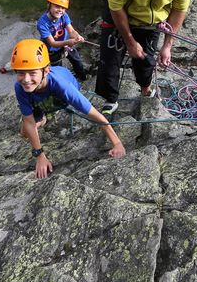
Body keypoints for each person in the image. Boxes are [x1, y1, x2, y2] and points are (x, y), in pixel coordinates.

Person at [11, 39, 124, 179]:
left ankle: (43, 115)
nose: (26, 79)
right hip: (41, 100)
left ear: (46, 70)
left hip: (61, 98)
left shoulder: (62, 86)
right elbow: (28, 122)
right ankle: (43, 118)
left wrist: (117, 143)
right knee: (24, 132)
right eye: (21, 73)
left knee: (31, 126)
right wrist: (39, 155)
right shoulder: (20, 87)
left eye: (32, 73)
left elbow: (93, 114)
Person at [37, 0, 87, 81]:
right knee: (58, 69)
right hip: (52, 50)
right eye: (57, 6)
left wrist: (77, 36)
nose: (60, 10)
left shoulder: (64, 16)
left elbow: (71, 30)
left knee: (77, 61)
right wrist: (68, 42)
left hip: (67, 44)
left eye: (63, 8)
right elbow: (52, 43)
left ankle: (83, 78)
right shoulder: (42, 23)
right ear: (49, 5)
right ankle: (62, 83)